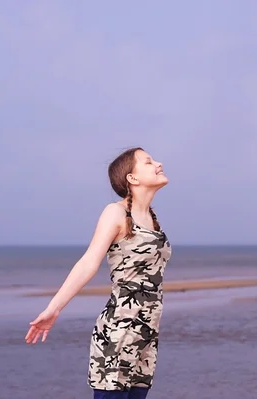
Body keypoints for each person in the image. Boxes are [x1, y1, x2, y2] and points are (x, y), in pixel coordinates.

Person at [25, 147, 172, 399]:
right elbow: (89, 262)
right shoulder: (115, 213)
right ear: (132, 178)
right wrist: (54, 308)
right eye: (148, 162)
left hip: (146, 335)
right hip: (117, 333)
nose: (158, 163)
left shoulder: (151, 217)